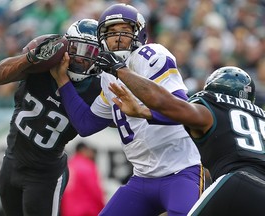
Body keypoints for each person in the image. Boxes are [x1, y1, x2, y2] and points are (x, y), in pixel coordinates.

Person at [50, 4, 203, 216]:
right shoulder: (107, 77)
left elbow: (181, 109)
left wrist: (142, 110)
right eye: (111, 32)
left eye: (125, 30)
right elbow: (86, 124)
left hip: (182, 171)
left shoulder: (151, 55)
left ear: (139, 33)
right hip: (142, 177)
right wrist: (62, 80)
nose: (118, 37)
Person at [102, 62, 265, 215]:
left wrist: (122, 70)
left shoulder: (213, 105)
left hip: (237, 180)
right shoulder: (261, 117)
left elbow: (168, 105)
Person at [0, 19, 101, 216]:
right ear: (66, 46)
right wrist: (30, 58)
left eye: (90, 52)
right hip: (11, 163)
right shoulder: (43, 66)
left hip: (44, 176)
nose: (82, 58)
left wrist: (63, 81)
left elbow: (87, 126)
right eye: (78, 48)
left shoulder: (95, 89)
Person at [61, 142, 105, 216]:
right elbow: (95, 190)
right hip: (87, 211)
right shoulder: (87, 166)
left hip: (68, 211)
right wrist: (103, 208)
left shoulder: (69, 165)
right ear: (84, 150)